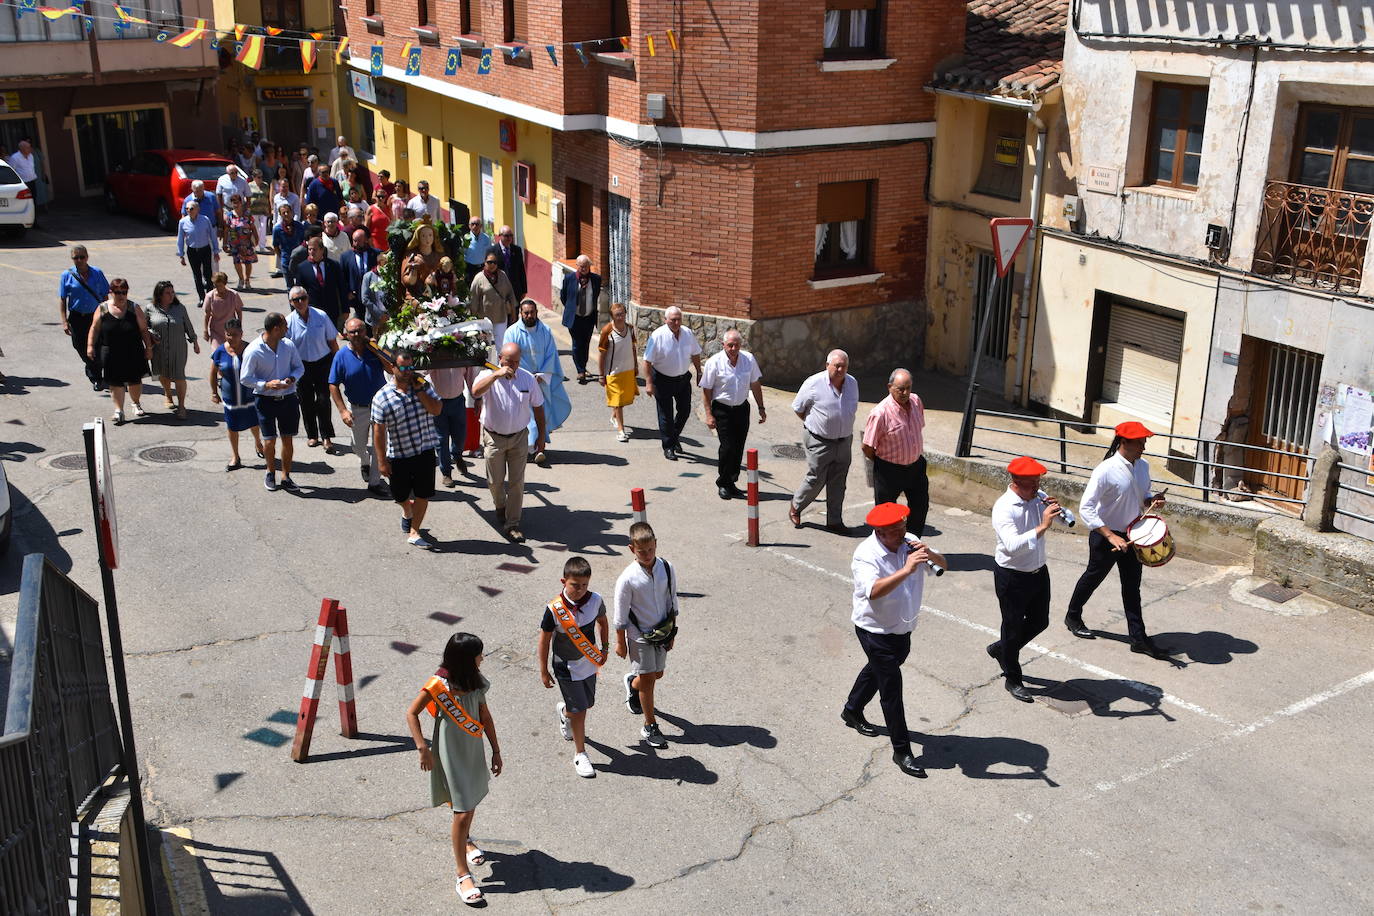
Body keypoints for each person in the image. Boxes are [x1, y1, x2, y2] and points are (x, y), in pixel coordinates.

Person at [843, 502, 948, 779]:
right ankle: (902, 750)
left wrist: (931, 555)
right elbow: (874, 591)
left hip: (902, 628)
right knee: (892, 689)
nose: (903, 534)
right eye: (896, 531)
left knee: (878, 672)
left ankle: (852, 710)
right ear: (880, 532)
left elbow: (945, 565)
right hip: (875, 631)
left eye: (904, 527)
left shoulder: (910, 540)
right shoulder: (866, 555)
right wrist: (906, 570)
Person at [403, 632, 502, 906]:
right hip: (449, 752)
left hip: (472, 750)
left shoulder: (476, 681)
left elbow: (484, 716)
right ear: (466, 659)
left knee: (469, 803)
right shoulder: (438, 685)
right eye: (479, 654)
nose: (482, 658)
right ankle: (462, 876)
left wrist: (496, 749)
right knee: (462, 811)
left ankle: (467, 841)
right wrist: (423, 748)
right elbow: (412, 713)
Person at [1066, 421, 1169, 657]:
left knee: (1132, 587)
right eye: (1140, 442)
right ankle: (1072, 616)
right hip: (1106, 536)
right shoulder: (1106, 470)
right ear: (1125, 442)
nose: (1144, 446)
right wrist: (1110, 536)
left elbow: (1142, 497)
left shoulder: (1143, 466)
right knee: (1093, 577)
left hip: (1133, 536)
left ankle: (1138, 638)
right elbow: (1087, 508)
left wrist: (1153, 500)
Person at [988, 456, 1061, 703]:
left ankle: (1002, 649)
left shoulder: (1037, 496)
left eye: (1039, 480)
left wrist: (1060, 511)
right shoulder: (1004, 507)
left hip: (1038, 571)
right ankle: (1013, 678)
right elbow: (1013, 545)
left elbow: (1062, 518)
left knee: (1040, 621)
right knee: (1012, 626)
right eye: (1033, 482)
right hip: (1012, 576)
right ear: (1017, 481)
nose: (1038, 486)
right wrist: (1043, 525)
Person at [537, 555, 608, 778]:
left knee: (586, 704)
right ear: (563, 582)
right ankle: (580, 754)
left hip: (588, 663)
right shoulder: (554, 609)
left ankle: (564, 712)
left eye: (585, 585)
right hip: (565, 667)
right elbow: (545, 640)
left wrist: (605, 648)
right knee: (580, 711)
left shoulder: (595, 600)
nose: (580, 590)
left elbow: (603, 622)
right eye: (575, 585)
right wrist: (543, 670)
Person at [471, 342, 547, 543]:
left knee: (516, 483)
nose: (512, 366)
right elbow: (475, 392)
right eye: (508, 361)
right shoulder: (487, 375)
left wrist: (541, 436)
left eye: (516, 361)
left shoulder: (527, 378)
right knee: (495, 481)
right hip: (494, 437)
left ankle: (512, 523)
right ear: (500, 359)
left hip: (519, 437)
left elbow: (538, 408)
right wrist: (496, 375)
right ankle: (500, 505)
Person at [613, 521, 678, 750]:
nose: (647, 554)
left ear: (656, 545)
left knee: (657, 675)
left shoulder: (667, 568)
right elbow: (620, 616)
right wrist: (620, 643)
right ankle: (650, 725)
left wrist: (673, 632)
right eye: (642, 551)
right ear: (632, 549)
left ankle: (633, 683)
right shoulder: (627, 578)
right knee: (649, 680)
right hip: (638, 635)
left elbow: (672, 601)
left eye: (651, 549)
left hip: (661, 632)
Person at [372, 351, 442, 548]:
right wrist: (381, 461)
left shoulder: (424, 386)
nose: (407, 371)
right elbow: (378, 430)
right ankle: (406, 510)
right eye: (403, 367)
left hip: (425, 450)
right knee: (400, 494)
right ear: (392, 367)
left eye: (410, 367)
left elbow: (436, 410)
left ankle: (415, 531)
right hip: (399, 454)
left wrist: (420, 392)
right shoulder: (382, 397)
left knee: (423, 493)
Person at [789, 350, 859, 531]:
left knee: (838, 482)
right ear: (827, 365)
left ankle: (834, 521)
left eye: (844, 366)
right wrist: (814, 423)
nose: (841, 369)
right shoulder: (813, 383)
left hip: (844, 441)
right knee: (816, 478)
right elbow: (798, 408)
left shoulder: (852, 383)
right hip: (819, 440)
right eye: (837, 365)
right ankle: (796, 506)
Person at [240, 312, 306, 492]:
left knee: (288, 440)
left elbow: (299, 367)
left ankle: (286, 476)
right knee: (269, 442)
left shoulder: (288, 345)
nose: (288, 329)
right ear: (276, 329)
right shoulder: (254, 350)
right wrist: (266, 384)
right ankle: (270, 472)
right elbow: (245, 378)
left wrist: (293, 378)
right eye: (285, 326)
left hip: (288, 400)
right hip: (265, 401)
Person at [861, 368, 930, 537]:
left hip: (915, 467)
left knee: (920, 507)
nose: (905, 393)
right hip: (889, 471)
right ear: (890, 387)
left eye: (908, 388)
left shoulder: (916, 402)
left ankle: (912, 544)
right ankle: (885, 550)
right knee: (886, 515)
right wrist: (882, 463)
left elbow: (918, 428)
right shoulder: (880, 413)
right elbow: (867, 447)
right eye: (900, 389)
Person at [699, 329, 765, 500]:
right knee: (727, 447)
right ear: (723, 345)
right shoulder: (714, 363)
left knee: (738, 447)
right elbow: (706, 390)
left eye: (736, 345)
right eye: (730, 345)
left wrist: (761, 407)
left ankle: (731, 481)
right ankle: (723, 483)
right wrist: (708, 414)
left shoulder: (748, 360)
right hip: (722, 410)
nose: (733, 348)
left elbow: (755, 384)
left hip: (742, 408)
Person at [504, 299, 571, 465]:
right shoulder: (512, 332)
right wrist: (525, 376)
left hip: (541, 380)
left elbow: (551, 355)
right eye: (526, 313)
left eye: (532, 312)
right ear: (520, 313)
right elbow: (509, 356)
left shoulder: (545, 331)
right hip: (521, 381)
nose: (529, 315)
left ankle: (538, 448)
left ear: (536, 312)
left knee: (542, 414)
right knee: (527, 416)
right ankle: (531, 449)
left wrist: (542, 375)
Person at [329, 318, 390, 495]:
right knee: (358, 446)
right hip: (356, 408)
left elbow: (391, 369)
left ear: (366, 332)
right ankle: (364, 460)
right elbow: (333, 384)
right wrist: (342, 411)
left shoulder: (375, 350)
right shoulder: (341, 356)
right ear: (346, 335)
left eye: (360, 331)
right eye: (352, 332)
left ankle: (375, 482)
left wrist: (376, 350)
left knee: (380, 444)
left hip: (379, 407)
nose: (356, 335)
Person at [86, 279, 153, 424]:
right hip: (111, 351)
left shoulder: (134, 308)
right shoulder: (102, 308)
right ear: (111, 293)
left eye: (124, 292)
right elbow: (94, 328)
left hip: (133, 350)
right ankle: (119, 410)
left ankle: (136, 403)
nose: (121, 295)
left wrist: (148, 348)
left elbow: (143, 330)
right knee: (115, 382)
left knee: (134, 380)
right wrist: (90, 346)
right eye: (117, 292)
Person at [641, 306, 702, 461]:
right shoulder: (658, 336)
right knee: (665, 415)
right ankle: (668, 447)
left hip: (682, 379)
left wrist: (699, 372)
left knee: (685, 411)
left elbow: (695, 353)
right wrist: (648, 383)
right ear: (665, 319)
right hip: (662, 379)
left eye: (678, 319)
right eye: (673, 319)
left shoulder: (687, 333)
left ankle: (673, 438)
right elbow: (647, 361)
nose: (676, 322)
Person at [285, 286, 339, 451]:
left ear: (308, 298)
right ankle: (312, 435)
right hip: (301, 366)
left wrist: (338, 365)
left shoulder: (321, 316)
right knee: (306, 401)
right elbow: (286, 349)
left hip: (323, 362)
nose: (300, 302)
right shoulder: (288, 322)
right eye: (296, 300)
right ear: (291, 302)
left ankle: (326, 436)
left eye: (303, 298)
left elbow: (332, 341)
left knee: (323, 400)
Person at [209, 319, 265, 472]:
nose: (231, 338)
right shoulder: (220, 351)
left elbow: (260, 370)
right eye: (228, 335)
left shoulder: (250, 349)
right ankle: (236, 456)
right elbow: (213, 373)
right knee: (232, 426)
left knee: (254, 422)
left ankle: (258, 443)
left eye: (235, 335)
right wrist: (214, 392)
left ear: (241, 334)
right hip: (230, 398)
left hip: (250, 396)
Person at [58, 245, 110, 390]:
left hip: (96, 316)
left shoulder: (97, 273)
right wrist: (64, 321)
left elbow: (105, 296)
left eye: (82, 257)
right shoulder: (66, 276)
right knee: (80, 347)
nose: (79, 260)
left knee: (98, 347)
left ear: (87, 257)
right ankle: (92, 369)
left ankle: (97, 377)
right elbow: (63, 299)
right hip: (77, 318)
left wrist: (106, 316)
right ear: (72, 259)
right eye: (76, 257)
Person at [147, 281, 200, 419]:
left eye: (172, 292)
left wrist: (194, 341)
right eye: (167, 293)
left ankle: (181, 406)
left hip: (178, 348)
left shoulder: (180, 308)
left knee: (179, 376)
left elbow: (188, 325)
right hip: (159, 348)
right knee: (162, 374)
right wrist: (151, 334)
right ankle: (168, 394)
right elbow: (144, 327)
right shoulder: (150, 308)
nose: (171, 295)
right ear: (159, 295)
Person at [597, 302, 638, 443]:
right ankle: (621, 430)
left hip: (628, 370)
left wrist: (636, 366)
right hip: (613, 373)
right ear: (612, 316)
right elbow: (602, 354)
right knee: (618, 401)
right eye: (617, 315)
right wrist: (601, 375)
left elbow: (632, 348)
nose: (620, 317)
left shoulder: (630, 329)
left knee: (623, 399)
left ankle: (614, 416)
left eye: (622, 314)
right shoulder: (607, 331)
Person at [560, 255, 603, 384]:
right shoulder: (569, 279)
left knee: (586, 343)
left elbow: (595, 297)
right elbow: (564, 297)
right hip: (575, 317)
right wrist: (572, 309)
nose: (583, 268)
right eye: (581, 266)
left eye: (586, 266)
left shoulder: (596, 279)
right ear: (577, 266)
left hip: (589, 317)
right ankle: (580, 370)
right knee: (577, 344)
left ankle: (583, 366)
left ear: (589, 266)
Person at [467, 249, 517, 351]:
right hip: (485, 318)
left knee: (501, 345)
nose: (492, 264)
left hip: (501, 316)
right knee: (486, 346)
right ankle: (487, 366)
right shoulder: (479, 278)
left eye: (495, 262)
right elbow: (474, 298)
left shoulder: (503, 275)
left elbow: (510, 294)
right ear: (484, 263)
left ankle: (500, 366)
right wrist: (473, 317)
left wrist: (513, 312)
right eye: (489, 262)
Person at [428, 366, 469, 488]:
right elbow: (424, 371)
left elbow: (469, 374)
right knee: (441, 439)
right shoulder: (435, 351)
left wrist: (476, 397)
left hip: (457, 400)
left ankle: (457, 455)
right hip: (438, 400)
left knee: (460, 434)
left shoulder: (461, 351)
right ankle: (446, 472)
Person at [294, 237, 347, 330]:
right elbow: (298, 292)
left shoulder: (333, 265)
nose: (311, 252)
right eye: (309, 249)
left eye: (314, 249)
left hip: (331, 311)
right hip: (312, 311)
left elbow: (342, 288)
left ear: (322, 250)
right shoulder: (302, 268)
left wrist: (345, 309)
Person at [177, 196, 218, 301]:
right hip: (192, 251)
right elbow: (180, 239)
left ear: (197, 209)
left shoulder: (205, 220)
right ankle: (202, 298)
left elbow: (212, 236)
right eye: (187, 209)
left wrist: (216, 251)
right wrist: (181, 255)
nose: (189, 211)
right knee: (197, 275)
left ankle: (209, 297)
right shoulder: (183, 222)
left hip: (205, 249)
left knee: (208, 274)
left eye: (191, 209)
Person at [340, 228, 380, 321]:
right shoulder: (345, 256)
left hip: (373, 297)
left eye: (359, 241)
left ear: (366, 240)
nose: (356, 244)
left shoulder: (376, 254)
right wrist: (347, 292)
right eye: (354, 241)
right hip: (355, 298)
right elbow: (342, 277)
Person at [223, 194, 259, 290]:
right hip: (235, 243)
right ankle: (241, 279)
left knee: (247, 261)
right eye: (233, 202)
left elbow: (253, 227)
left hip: (246, 242)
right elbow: (226, 230)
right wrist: (224, 243)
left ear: (241, 202)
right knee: (237, 261)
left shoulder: (247, 214)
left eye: (237, 202)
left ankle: (247, 280)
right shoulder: (229, 216)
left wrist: (256, 238)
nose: (236, 204)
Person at [401, 223, 445, 301]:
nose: (427, 239)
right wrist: (412, 276)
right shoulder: (411, 256)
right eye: (423, 236)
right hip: (416, 294)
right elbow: (405, 279)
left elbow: (447, 273)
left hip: (437, 294)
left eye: (430, 235)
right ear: (418, 237)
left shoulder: (439, 255)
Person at [201, 272, 244, 349]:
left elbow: (239, 312)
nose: (218, 288)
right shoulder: (210, 296)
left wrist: (239, 327)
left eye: (220, 285)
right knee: (217, 353)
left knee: (231, 352)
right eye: (216, 285)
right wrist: (206, 331)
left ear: (225, 284)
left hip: (231, 331)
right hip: (216, 331)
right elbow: (207, 315)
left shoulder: (233, 295)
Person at [7, 139, 40, 227]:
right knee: (25, 203)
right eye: (28, 147)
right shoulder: (15, 157)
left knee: (33, 202)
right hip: (24, 184)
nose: (30, 149)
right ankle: (24, 222)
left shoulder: (31, 156)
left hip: (32, 181)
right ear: (22, 148)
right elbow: (12, 171)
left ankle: (34, 221)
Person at [492, 225, 527, 301]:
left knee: (515, 311)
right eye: (506, 236)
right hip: (499, 291)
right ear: (500, 236)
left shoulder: (517, 250)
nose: (509, 238)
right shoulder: (492, 251)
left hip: (515, 290)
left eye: (511, 235)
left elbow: (521, 270)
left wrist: (524, 289)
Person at [271, 203, 305, 280]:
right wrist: (281, 256)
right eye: (283, 213)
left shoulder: (299, 226)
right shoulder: (277, 229)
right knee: (290, 286)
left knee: (300, 284)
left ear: (292, 212)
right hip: (286, 260)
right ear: (280, 215)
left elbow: (304, 241)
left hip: (299, 260)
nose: (286, 214)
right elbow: (276, 245)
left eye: (288, 212)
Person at [361, 251, 391, 333]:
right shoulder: (368, 276)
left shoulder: (391, 275)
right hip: (375, 318)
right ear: (380, 262)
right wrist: (380, 315)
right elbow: (365, 299)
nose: (388, 264)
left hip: (390, 317)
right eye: (386, 262)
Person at [247, 168, 271, 252]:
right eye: (258, 177)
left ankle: (262, 246)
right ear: (254, 177)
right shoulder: (249, 185)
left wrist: (269, 209)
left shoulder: (265, 185)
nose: (260, 179)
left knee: (263, 228)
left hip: (263, 210)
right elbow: (247, 197)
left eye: (261, 177)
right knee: (255, 228)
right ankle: (253, 246)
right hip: (253, 211)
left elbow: (268, 197)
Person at [462, 217, 492, 281]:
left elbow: (490, 253)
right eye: (473, 224)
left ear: (481, 226)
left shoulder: (486, 238)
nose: (475, 226)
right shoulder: (465, 238)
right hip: (469, 269)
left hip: (482, 268)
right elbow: (462, 254)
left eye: (477, 224)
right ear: (469, 226)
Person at [367, 186, 392, 251]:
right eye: (378, 196)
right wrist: (369, 242)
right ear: (375, 197)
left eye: (383, 197)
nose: (380, 198)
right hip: (374, 241)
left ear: (385, 198)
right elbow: (366, 227)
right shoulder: (370, 209)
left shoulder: (388, 209)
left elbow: (392, 224)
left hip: (386, 241)